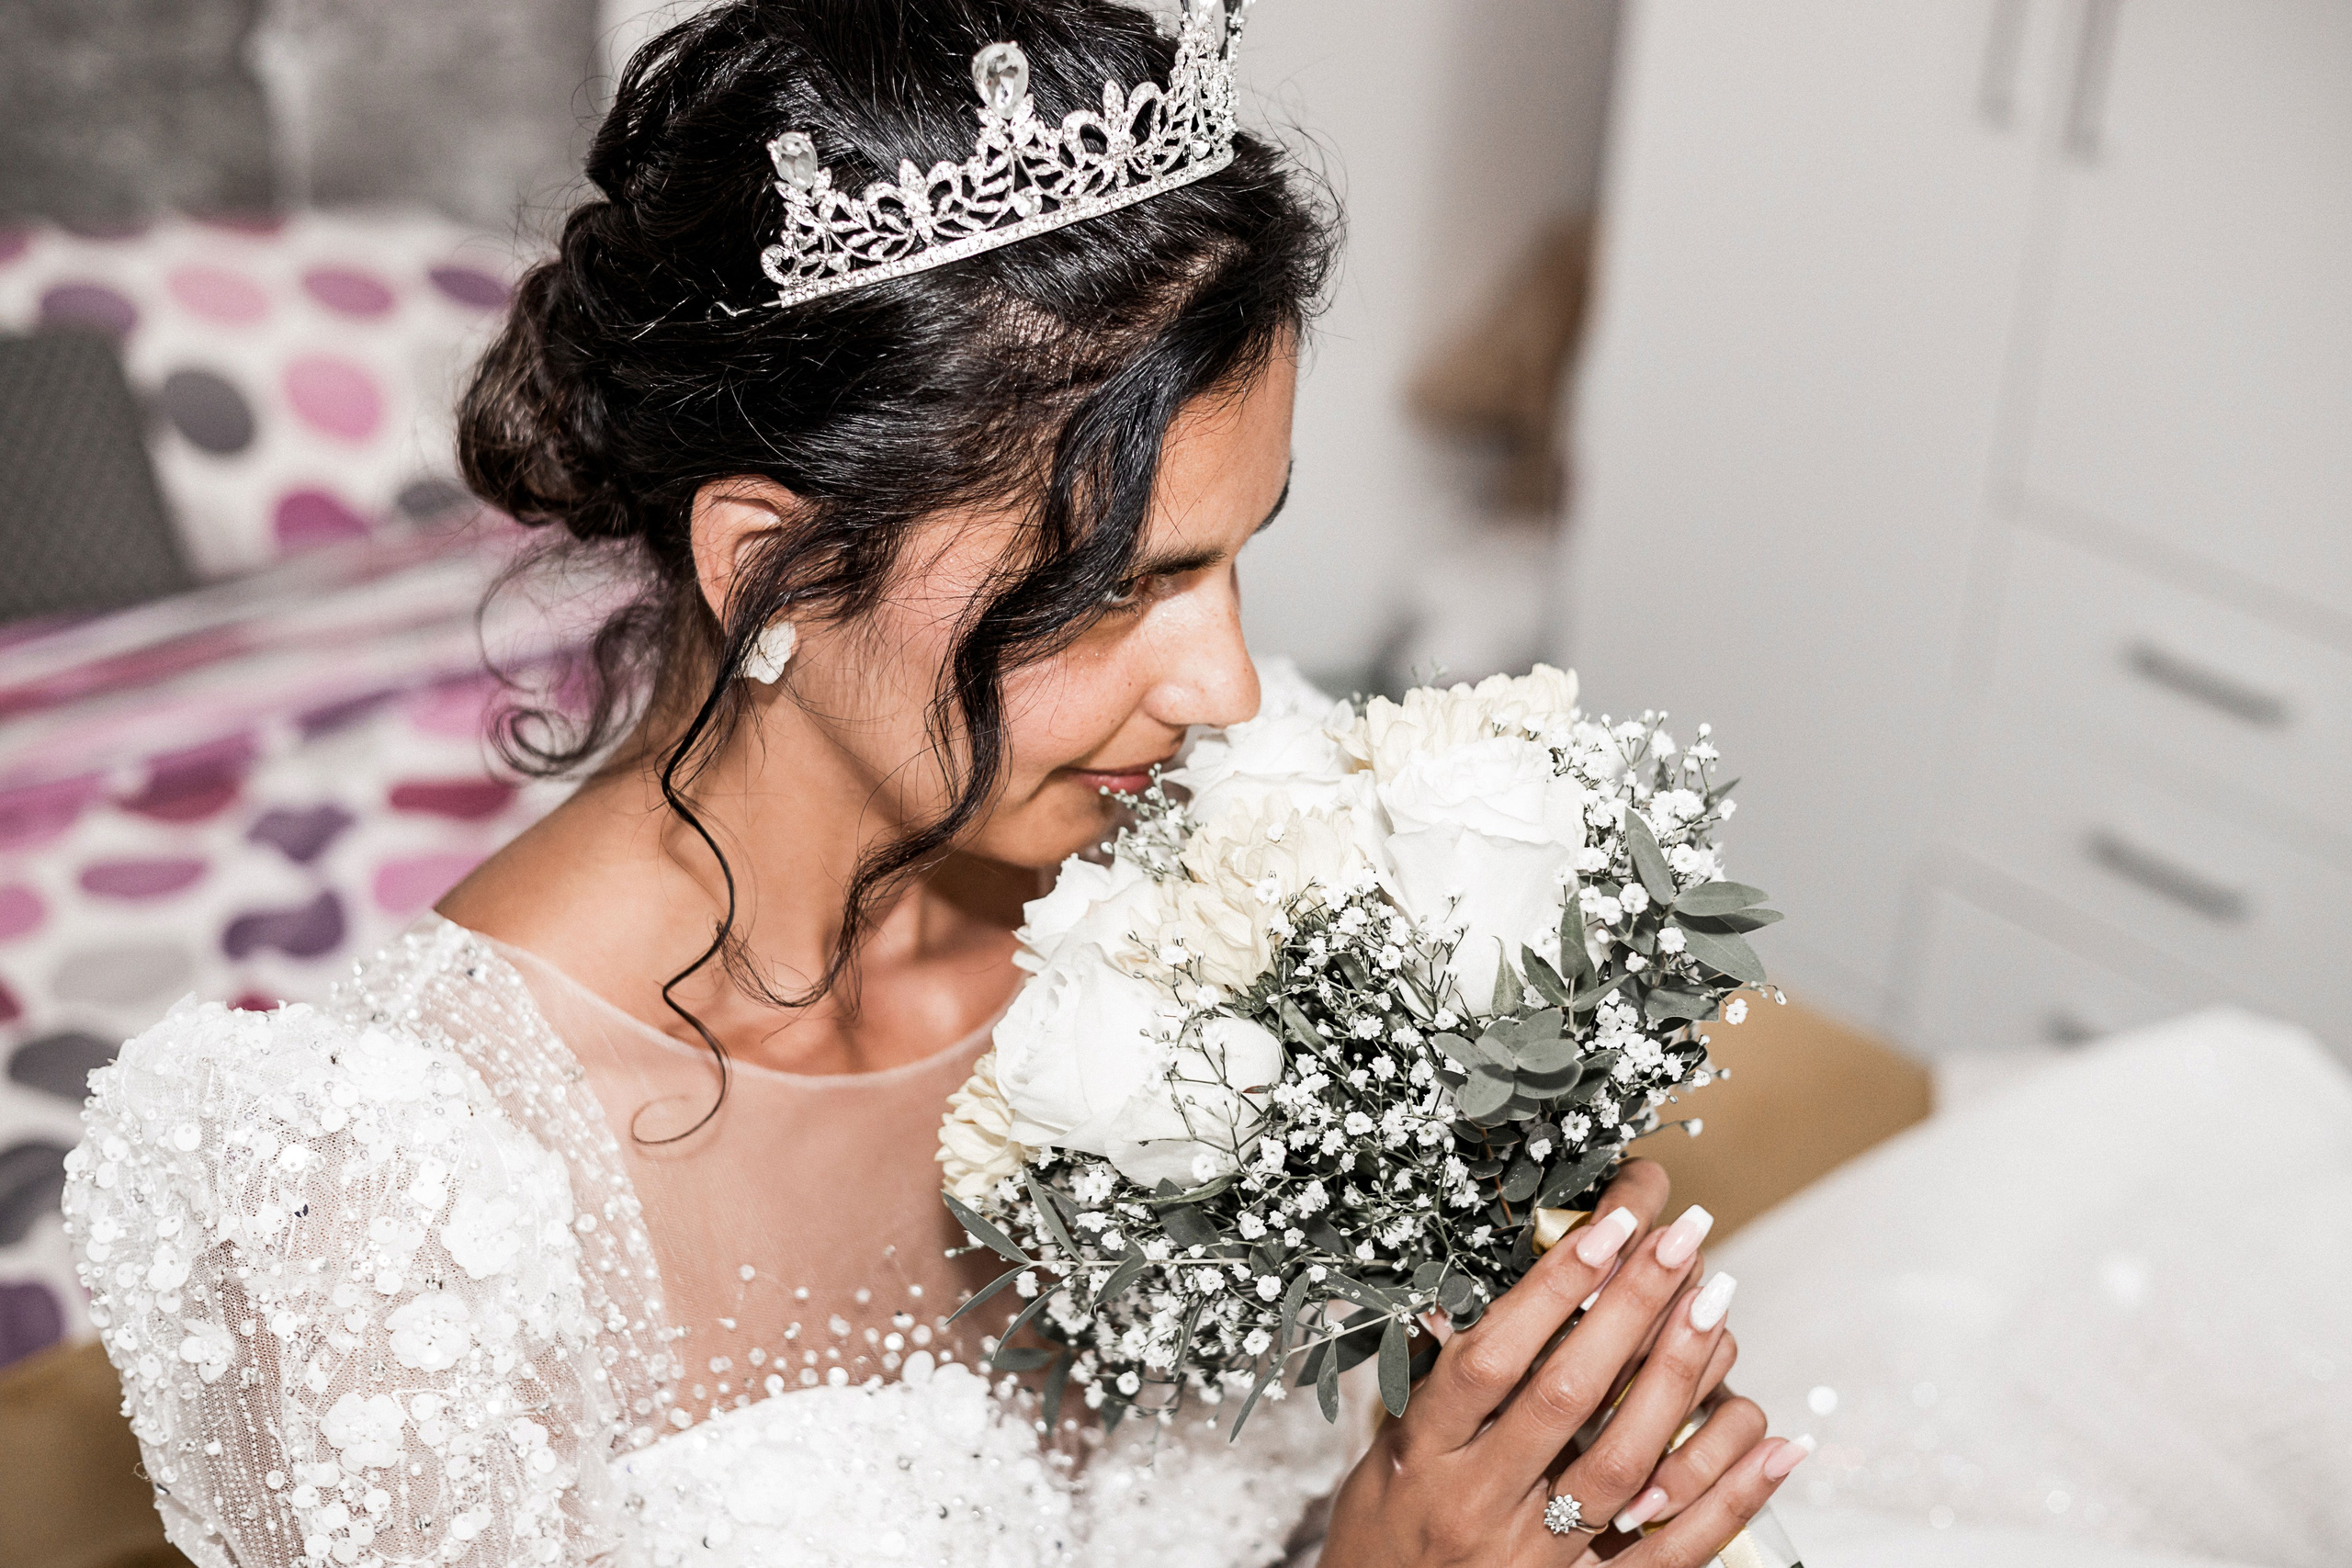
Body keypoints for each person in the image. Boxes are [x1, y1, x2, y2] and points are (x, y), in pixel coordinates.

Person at [64, 3, 1804, 1562]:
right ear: (771, 573)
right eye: (1114, 584)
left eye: (1232, 559)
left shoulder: (1242, 891)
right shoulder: (380, 1199)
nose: (1232, 690)